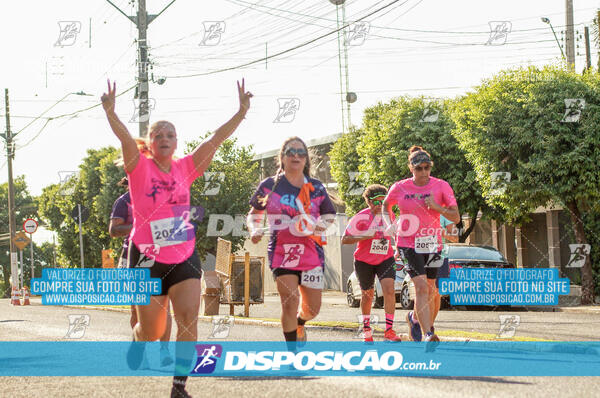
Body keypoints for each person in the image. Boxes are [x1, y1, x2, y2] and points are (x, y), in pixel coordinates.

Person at [101, 78, 252, 398]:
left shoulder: (186, 167)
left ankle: (179, 387)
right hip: (146, 257)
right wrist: (111, 113)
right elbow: (125, 137)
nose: (165, 138)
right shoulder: (138, 167)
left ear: (176, 141)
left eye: (171, 134)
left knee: (187, 321)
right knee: (153, 331)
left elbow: (216, 138)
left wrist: (241, 112)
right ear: (151, 143)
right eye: (158, 134)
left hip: (183, 255)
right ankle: (138, 340)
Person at [247, 137, 336, 348]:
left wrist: (317, 226)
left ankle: (300, 322)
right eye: (290, 152)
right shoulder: (270, 185)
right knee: (290, 300)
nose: (295, 155)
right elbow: (254, 214)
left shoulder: (316, 187)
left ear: (306, 159)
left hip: (312, 254)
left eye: (300, 152)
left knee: (312, 309)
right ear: (282, 157)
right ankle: (292, 352)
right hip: (282, 252)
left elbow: (329, 216)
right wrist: (255, 229)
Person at [382, 146, 460, 346]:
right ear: (411, 168)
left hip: (433, 245)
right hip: (407, 244)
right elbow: (385, 205)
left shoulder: (441, 186)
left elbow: (455, 216)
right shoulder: (400, 187)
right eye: (419, 169)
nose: (424, 172)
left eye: (427, 168)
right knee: (421, 286)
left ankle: (416, 320)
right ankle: (427, 334)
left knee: (432, 289)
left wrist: (437, 207)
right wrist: (388, 223)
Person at [109, 176, 173, 367]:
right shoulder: (123, 202)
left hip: (159, 254)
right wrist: (139, 226)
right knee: (138, 310)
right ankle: (142, 352)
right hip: (133, 255)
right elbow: (114, 229)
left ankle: (164, 352)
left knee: (164, 305)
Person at [342, 184, 402, 343]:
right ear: (368, 202)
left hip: (385, 258)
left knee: (389, 290)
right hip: (364, 261)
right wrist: (367, 235)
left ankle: (389, 330)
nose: (380, 205)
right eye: (376, 201)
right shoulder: (361, 217)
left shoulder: (389, 215)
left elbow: (397, 234)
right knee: (367, 295)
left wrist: (398, 248)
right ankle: (367, 328)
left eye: (383, 201)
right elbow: (345, 239)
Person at [408, 214, 459, 341]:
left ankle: (428, 325)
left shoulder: (444, 213)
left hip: (438, 253)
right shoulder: (412, 208)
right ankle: (421, 324)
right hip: (416, 253)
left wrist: (439, 231)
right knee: (422, 289)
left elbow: (455, 238)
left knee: (436, 292)